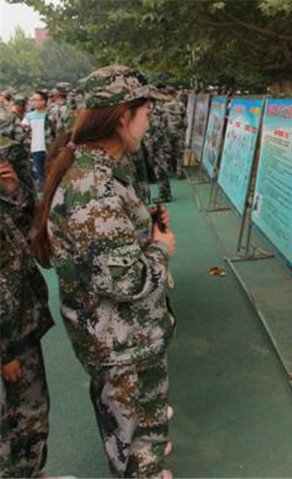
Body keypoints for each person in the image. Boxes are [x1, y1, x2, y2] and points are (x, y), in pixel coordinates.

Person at [30, 65, 176, 479]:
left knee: (135, 436)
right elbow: (125, 280)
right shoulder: (93, 186)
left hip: (120, 337)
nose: (149, 123)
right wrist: (161, 248)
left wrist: (143, 227)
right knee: (136, 445)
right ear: (122, 116)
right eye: (146, 113)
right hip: (121, 342)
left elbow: (105, 246)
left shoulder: (95, 171)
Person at [0, 109, 55, 478]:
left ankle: (30, 473)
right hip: (8, 337)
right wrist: (6, 351)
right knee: (20, 418)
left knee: (31, 414)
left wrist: (14, 191)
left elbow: (28, 234)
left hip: (21, 322)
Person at [22, 91, 56, 188]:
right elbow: (23, 128)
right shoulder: (29, 116)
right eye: (32, 100)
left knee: (52, 172)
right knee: (40, 175)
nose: (33, 102)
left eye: (36, 100)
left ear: (43, 101)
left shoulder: (51, 115)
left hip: (51, 148)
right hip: (36, 148)